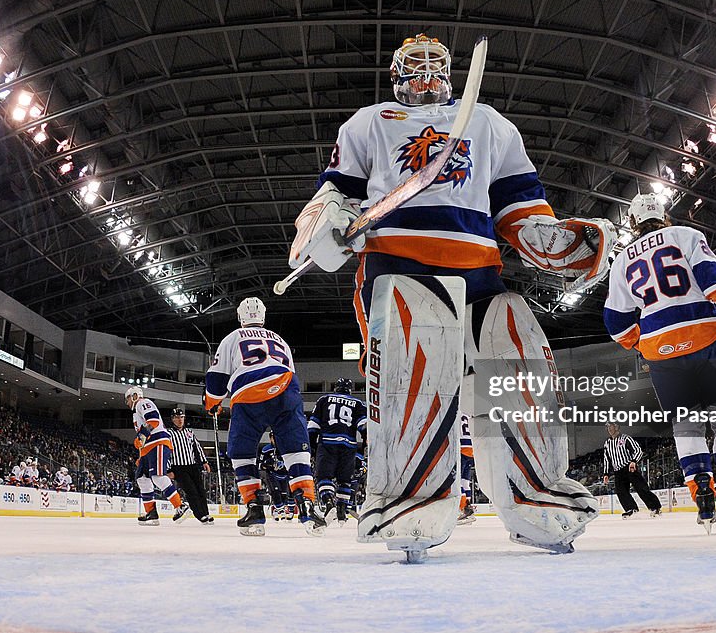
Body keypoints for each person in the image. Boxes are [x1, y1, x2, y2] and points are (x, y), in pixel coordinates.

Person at [287, 32, 603, 555]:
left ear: (451, 71)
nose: (425, 75)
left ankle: (535, 492)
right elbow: (335, 191)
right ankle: (410, 496)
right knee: (418, 355)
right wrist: (324, 224)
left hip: (480, 268)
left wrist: (547, 239)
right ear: (395, 74)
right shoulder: (369, 122)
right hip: (398, 264)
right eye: (414, 66)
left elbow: (517, 199)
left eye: (435, 65)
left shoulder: (488, 122)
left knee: (514, 350)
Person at [603, 192, 716, 533]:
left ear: (632, 223)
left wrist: (643, 344)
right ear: (664, 215)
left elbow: (616, 323)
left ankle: (702, 497)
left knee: (686, 428)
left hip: (662, 353)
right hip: (706, 340)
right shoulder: (685, 235)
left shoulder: (623, 260)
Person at [205, 297, 325, 537]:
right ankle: (308, 504)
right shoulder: (280, 339)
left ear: (241, 317)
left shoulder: (232, 337)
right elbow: (290, 370)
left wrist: (212, 403)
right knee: (295, 450)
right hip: (285, 387)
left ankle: (254, 509)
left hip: (250, 391)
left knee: (241, 452)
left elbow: (216, 380)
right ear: (263, 316)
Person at [308, 377, 367, 523]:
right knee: (345, 480)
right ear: (349, 389)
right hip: (349, 446)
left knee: (324, 477)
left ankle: (329, 504)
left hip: (327, 442)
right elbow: (364, 427)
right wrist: (366, 444)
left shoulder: (324, 399)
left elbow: (313, 425)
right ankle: (341, 512)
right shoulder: (358, 403)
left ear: (336, 388)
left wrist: (311, 446)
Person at [126, 385, 185, 525]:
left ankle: (180, 506)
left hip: (157, 443)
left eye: (128, 399)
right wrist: (141, 456)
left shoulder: (143, 403)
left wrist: (141, 437)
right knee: (141, 478)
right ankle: (151, 513)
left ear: (134, 396)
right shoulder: (136, 412)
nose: (127, 402)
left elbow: (153, 421)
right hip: (148, 448)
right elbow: (144, 435)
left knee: (157, 477)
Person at [601, 422, 662, 519]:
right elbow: (606, 459)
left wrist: (633, 461)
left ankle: (655, 507)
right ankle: (631, 509)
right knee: (621, 491)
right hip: (618, 471)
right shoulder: (607, 443)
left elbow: (638, 450)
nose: (609, 429)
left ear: (616, 427)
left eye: (611, 426)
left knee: (641, 488)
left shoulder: (626, 438)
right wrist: (606, 473)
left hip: (629, 468)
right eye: (608, 427)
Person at [167, 407, 214, 524]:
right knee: (191, 491)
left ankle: (206, 513)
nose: (180, 420)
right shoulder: (168, 434)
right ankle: (200, 515)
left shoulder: (189, 432)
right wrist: (168, 469)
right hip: (178, 468)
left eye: (182, 417)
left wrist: (204, 462)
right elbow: (165, 452)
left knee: (200, 490)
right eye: (177, 417)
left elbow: (197, 448)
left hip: (192, 466)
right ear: (172, 419)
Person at [258, 436, 293, 521]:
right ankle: (279, 510)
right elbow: (260, 464)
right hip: (272, 474)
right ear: (270, 438)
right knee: (275, 492)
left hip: (284, 474)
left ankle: (281, 510)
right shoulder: (266, 449)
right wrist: (267, 465)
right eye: (273, 438)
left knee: (284, 494)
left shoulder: (286, 448)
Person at [457, 413, 476, 525]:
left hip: (461, 449)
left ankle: (464, 509)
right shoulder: (468, 415)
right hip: (471, 451)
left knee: (458, 481)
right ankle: (469, 510)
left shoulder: (456, 412)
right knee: (465, 482)